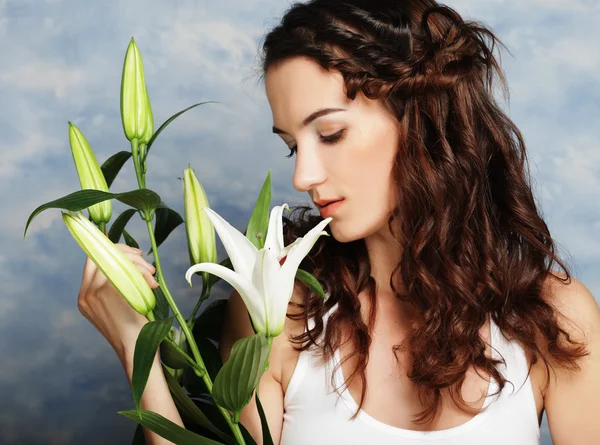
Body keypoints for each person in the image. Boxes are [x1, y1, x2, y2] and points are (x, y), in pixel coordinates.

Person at [76, 0, 600, 444]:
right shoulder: (279, 306)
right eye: (290, 148)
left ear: (422, 119)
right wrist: (134, 345)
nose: (303, 175)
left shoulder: (555, 319)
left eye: (328, 134)